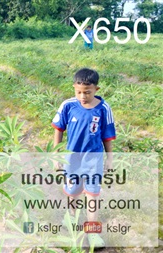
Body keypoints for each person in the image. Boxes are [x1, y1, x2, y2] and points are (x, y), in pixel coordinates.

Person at [52, 68, 116, 248]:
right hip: (72, 159)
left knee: (92, 194)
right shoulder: (67, 106)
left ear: (97, 89)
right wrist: (55, 155)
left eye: (87, 92)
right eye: (78, 92)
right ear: (74, 88)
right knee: (72, 192)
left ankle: (93, 233)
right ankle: (71, 217)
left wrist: (109, 159)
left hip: (93, 160)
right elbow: (58, 129)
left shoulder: (104, 109)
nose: (82, 96)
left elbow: (107, 136)